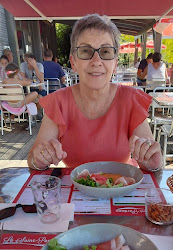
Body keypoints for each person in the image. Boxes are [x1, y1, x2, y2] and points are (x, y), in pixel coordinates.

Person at [27, 14, 162, 172]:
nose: (96, 61)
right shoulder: (58, 102)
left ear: (115, 63)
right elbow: (33, 158)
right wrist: (40, 159)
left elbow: (150, 157)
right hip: (73, 191)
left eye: (105, 52)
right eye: (86, 51)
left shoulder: (130, 99)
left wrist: (152, 163)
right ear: (73, 62)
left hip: (121, 187)